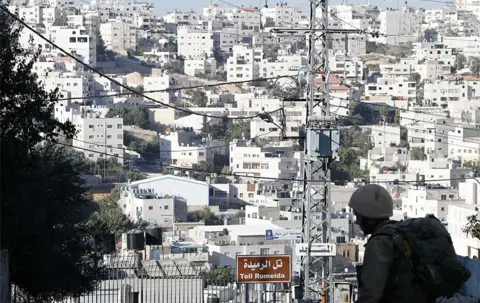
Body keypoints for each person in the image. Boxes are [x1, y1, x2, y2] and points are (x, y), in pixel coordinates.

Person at [348, 184, 431, 303]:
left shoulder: (380, 242)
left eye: (359, 216)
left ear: (369, 217)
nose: (357, 222)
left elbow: (371, 294)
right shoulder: (399, 232)